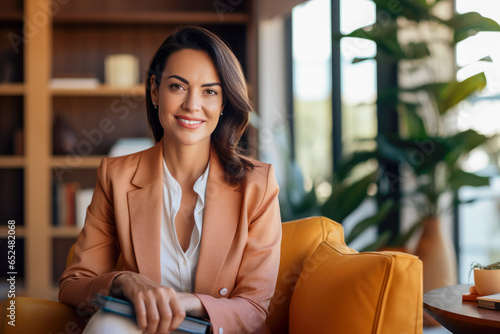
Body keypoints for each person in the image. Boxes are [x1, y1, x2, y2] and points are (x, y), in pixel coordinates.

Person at [59, 26, 282, 334]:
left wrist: (184, 303)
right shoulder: (116, 176)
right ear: (155, 90)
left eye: (210, 91)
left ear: (223, 103)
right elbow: (74, 285)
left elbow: (254, 309)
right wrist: (125, 281)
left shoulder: (258, 184)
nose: (192, 105)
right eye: (178, 87)